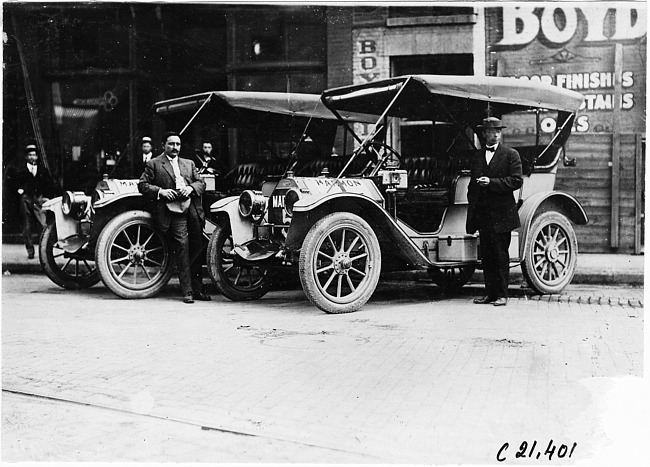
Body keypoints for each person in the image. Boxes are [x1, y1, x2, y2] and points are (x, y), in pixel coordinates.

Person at [138, 132, 210, 303]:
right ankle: (187, 291)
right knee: (182, 247)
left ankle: (198, 289)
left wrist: (191, 188)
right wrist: (161, 191)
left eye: (177, 144)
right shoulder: (154, 164)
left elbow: (202, 183)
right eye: (171, 144)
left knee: (198, 247)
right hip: (172, 211)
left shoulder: (189, 163)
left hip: (191, 209)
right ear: (163, 145)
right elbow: (142, 185)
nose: (175, 147)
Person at [466, 117, 523, 307]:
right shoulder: (477, 156)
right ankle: (490, 294)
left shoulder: (510, 154)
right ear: (484, 134)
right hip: (483, 214)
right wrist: (472, 204)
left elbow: (516, 181)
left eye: (498, 131)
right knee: (487, 257)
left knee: (500, 255)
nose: (496, 134)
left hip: (502, 215)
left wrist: (492, 183)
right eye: (491, 131)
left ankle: (502, 295)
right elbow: (472, 185)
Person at [13, 144, 51, 259]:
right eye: (30, 155)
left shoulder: (42, 170)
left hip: (38, 199)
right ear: (26, 157)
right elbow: (14, 183)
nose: (32, 157)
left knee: (43, 224)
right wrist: (20, 189)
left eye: (34, 155)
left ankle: (43, 251)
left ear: (37, 157)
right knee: (27, 226)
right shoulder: (21, 170)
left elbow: (48, 183)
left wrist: (46, 196)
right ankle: (30, 251)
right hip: (26, 199)